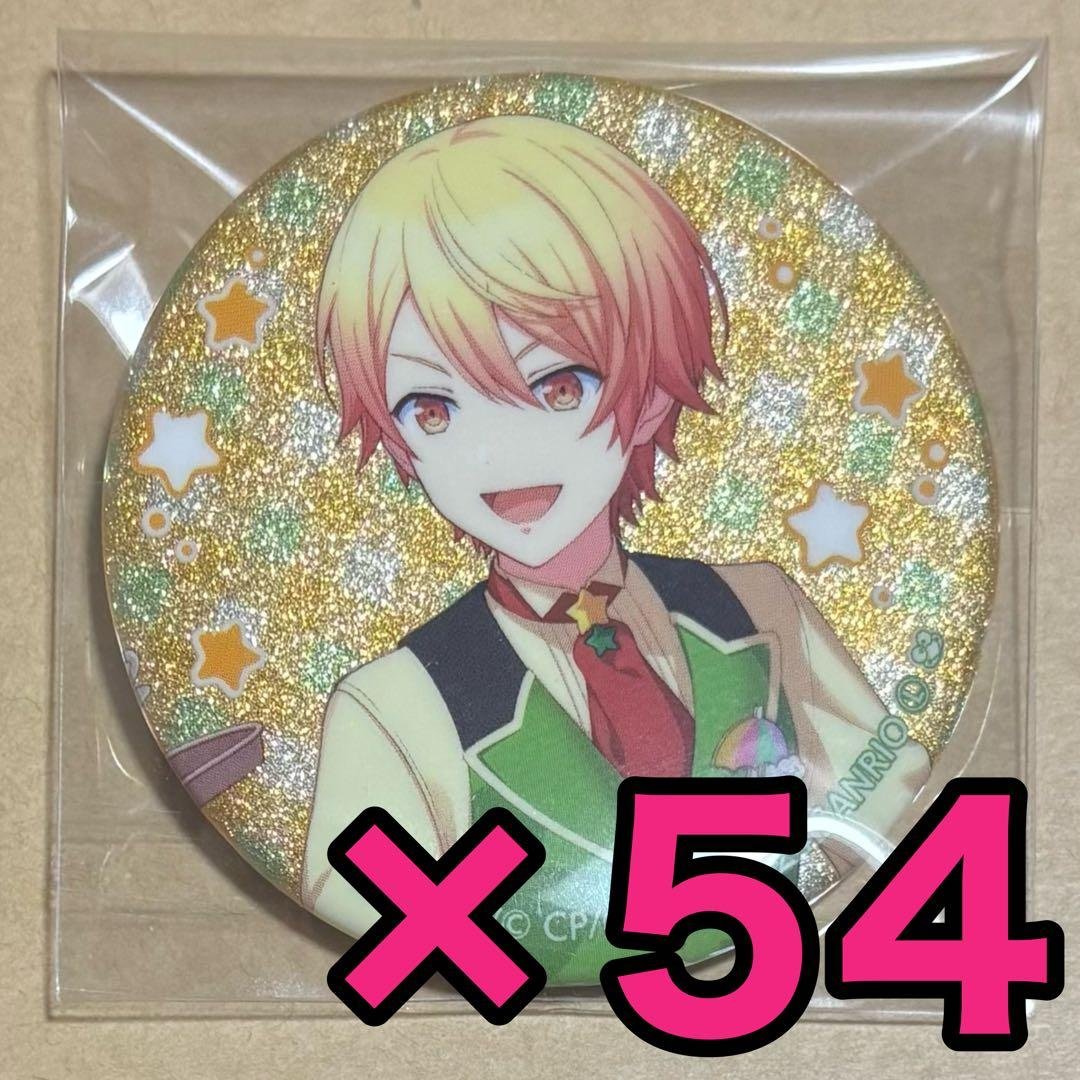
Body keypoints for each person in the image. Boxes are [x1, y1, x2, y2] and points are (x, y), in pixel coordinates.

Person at [301, 114, 930, 983]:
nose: (500, 453)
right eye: (433, 409)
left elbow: (894, 794)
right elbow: (369, 925)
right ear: (401, 443)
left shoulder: (758, 606)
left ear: (649, 392)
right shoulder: (394, 708)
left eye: (559, 385)